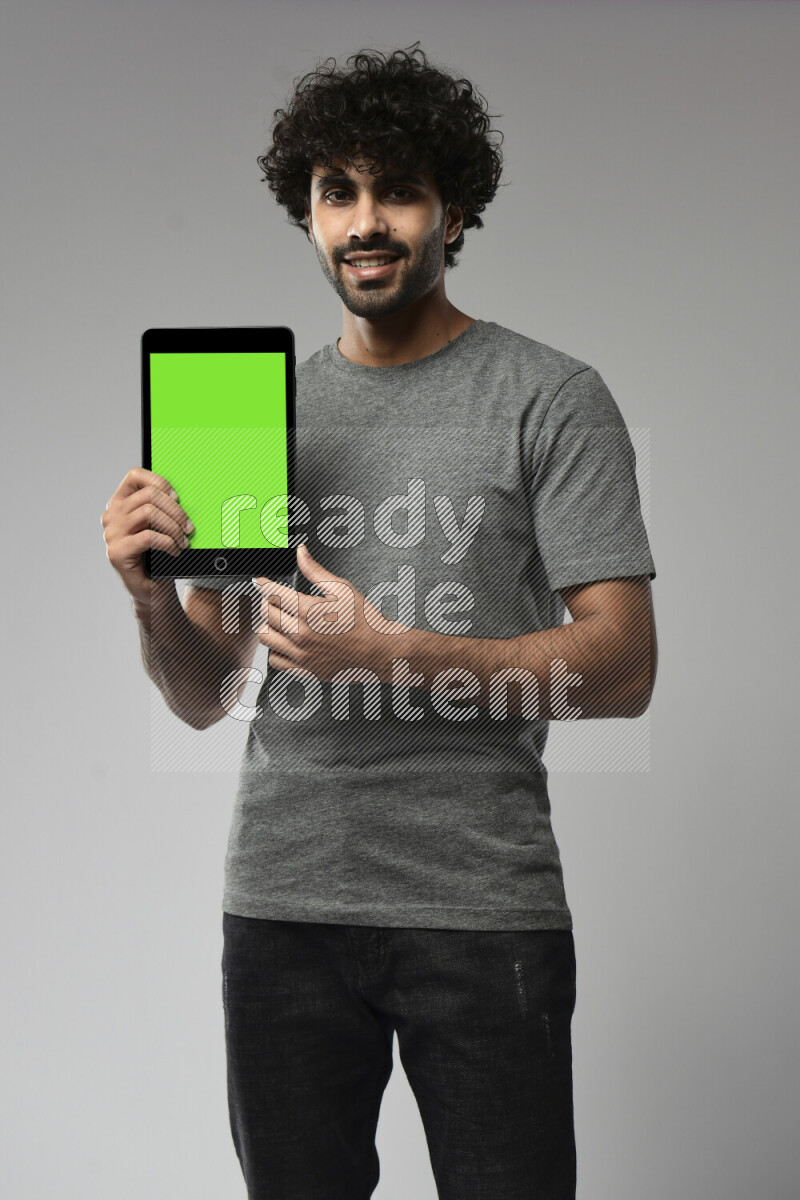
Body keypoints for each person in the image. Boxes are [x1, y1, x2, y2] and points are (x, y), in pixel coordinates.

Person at [102, 44, 657, 1200]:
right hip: (281, 907)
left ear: (453, 211)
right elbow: (204, 694)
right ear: (304, 213)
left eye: (396, 190)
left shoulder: (550, 398)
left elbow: (619, 668)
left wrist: (393, 655)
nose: (365, 221)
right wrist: (152, 595)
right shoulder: (258, 409)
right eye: (335, 193)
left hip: (479, 909)